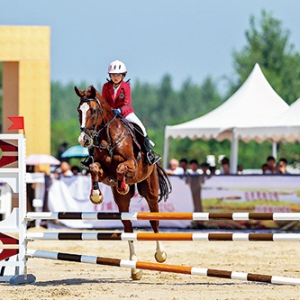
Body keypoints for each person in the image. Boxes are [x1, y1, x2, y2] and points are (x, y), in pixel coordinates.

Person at [82, 60, 160, 167]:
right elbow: (104, 102)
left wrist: (119, 110)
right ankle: (91, 156)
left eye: (118, 74)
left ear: (123, 75)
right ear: (110, 75)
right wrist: (109, 111)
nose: (115, 77)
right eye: (113, 74)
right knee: (94, 131)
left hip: (125, 113)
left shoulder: (126, 87)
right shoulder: (106, 87)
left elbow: (127, 103)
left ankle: (148, 153)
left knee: (141, 128)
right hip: (109, 115)